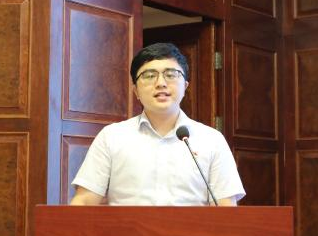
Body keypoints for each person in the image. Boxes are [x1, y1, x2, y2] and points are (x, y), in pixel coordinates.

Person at [70, 42, 245, 206]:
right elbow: (84, 202)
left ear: (185, 86)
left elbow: (225, 207)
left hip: (192, 230)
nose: (161, 83)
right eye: (149, 76)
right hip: (127, 230)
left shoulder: (212, 140)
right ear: (135, 90)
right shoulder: (111, 137)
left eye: (171, 75)